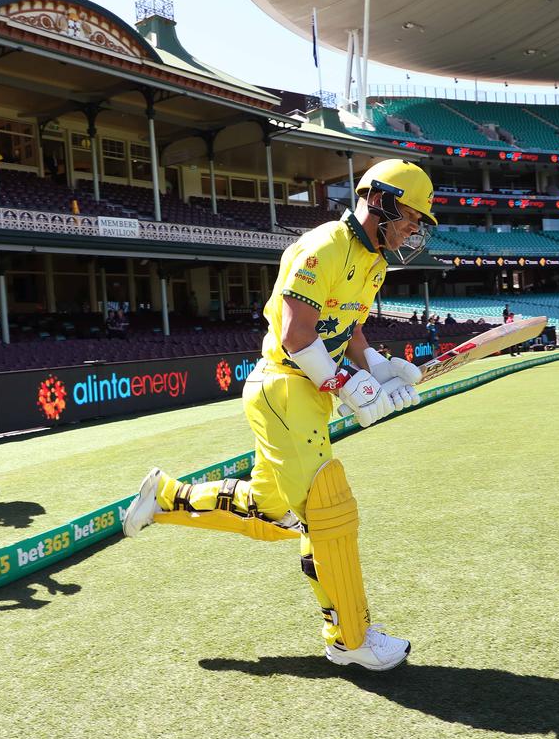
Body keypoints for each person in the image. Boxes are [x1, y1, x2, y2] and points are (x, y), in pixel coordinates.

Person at [120, 159, 436, 671]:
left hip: (308, 392)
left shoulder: (374, 262)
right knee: (328, 510)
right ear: (382, 201)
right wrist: (348, 383)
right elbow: (296, 335)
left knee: (271, 513)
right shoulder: (323, 247)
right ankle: (348, 637)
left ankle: (168, 496)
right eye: (412, 217)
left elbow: (345, 326)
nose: (414, 229)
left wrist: (376, 366)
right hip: (285, 385)